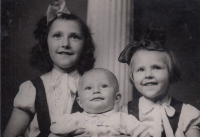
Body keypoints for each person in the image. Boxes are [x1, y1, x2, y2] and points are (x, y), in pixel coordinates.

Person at [3, 0, 95, 137]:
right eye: (57, 36)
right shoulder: (32, 89)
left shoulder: (93, 88)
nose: (65, 44)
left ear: (85, 45)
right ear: (46, 43)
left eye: (74, 37)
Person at [118, 27, 200, 137]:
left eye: (156, 68)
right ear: (132, 76)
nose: (148, 75)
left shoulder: (186, 113)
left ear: (171, 72)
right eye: (141, 69)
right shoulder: (124, 112)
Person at [50, 68, 150, 137]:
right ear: (80, 102)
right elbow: (55, 130)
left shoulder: (123, 119)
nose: (96, 91)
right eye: (89, 88)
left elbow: (144, 133)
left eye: (104, 86)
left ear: (116, 98)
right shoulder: (76, 119)